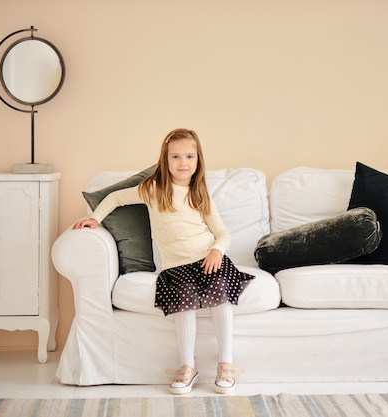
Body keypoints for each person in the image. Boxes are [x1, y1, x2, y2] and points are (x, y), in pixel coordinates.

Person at [73, 128, 254, 395]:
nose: (183, 163)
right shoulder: (153, 190)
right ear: (165, 160)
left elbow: (223, 233)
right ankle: (187, 367)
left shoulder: (200, 193)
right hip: (176, 266)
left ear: (198, 160)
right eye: (176, 157)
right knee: (183, 300)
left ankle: (225, 364)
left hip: (208, 258)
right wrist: (95, 219)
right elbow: (116, 198)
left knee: (220, 295)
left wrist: (216, 250)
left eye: (190, 156)